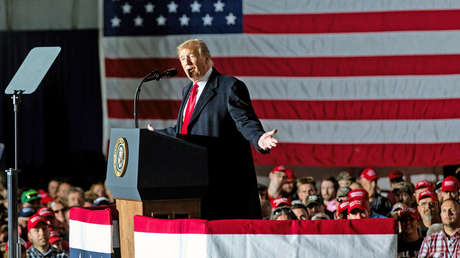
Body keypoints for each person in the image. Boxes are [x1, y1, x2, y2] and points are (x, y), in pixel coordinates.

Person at [150, 39, 277, 219]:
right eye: (181, 58)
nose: (185, 63)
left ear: (206, 57)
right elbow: (184, 131)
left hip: (224, 186)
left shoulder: (229, 86)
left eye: (191, 56)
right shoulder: (187, 90)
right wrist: (156, 135)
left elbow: (244, 120)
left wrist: (259, 138)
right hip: (194, 182)